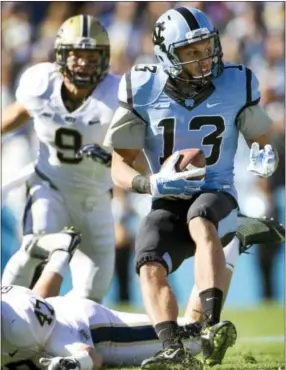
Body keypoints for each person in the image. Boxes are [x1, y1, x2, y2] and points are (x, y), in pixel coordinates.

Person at [103, 6, 279, 368]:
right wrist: (149, 181)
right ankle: (172, 348)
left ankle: (212, 325)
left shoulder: (236, 81)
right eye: (191, 52)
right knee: (148, 259)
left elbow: (262, 136)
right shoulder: (142, 87)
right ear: (168, 54)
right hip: (167, 197)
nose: (204, 58)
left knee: (201, 217)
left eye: (206, 47)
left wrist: (265, 155)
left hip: (218, 192)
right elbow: (119, 163)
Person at [2, 216, 284, 370]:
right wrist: (59, 257)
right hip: (62, 310)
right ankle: (62, 250)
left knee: (197, 336)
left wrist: (67, 365)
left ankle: (233, 239)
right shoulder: (11, 311)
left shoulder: (17, 328)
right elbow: (39, 297)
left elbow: (89, 356)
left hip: (92, 330)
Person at [1, 14, 120, 302]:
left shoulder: (118, 95)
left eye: (91, 56)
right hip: (50, 186)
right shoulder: (39, 84)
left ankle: (55, 337)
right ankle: (7, 320)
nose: (83, 63)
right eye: (76, 55)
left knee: (91, 296)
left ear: (104, 58)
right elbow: (17, 114)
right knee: (37, 248)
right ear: (61, 56)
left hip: (96, 198)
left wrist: (111, 158)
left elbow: (136, 159)